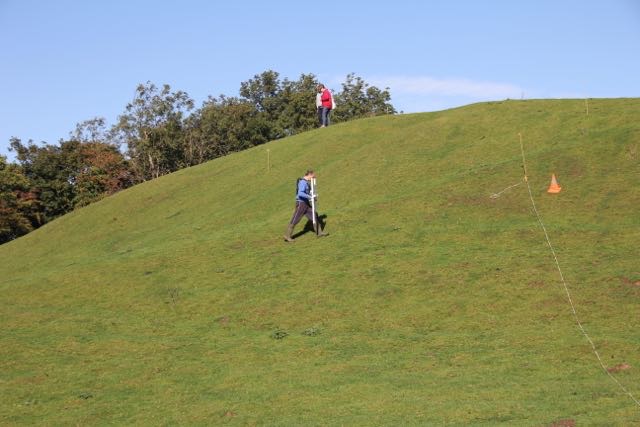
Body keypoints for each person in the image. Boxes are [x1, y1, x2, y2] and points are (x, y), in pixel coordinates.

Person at [284, 169, 328, 242]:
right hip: (301, 204)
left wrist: (313, 196)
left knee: (314, 215)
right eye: (312, 177)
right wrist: (310, 197)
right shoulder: (302, 182)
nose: (313, 178)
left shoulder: (306, 183)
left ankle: (319, 233)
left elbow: (307, 193)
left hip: (306, 204)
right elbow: (300, 194)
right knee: (295, 219)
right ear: (309, 174)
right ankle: (287, 236)